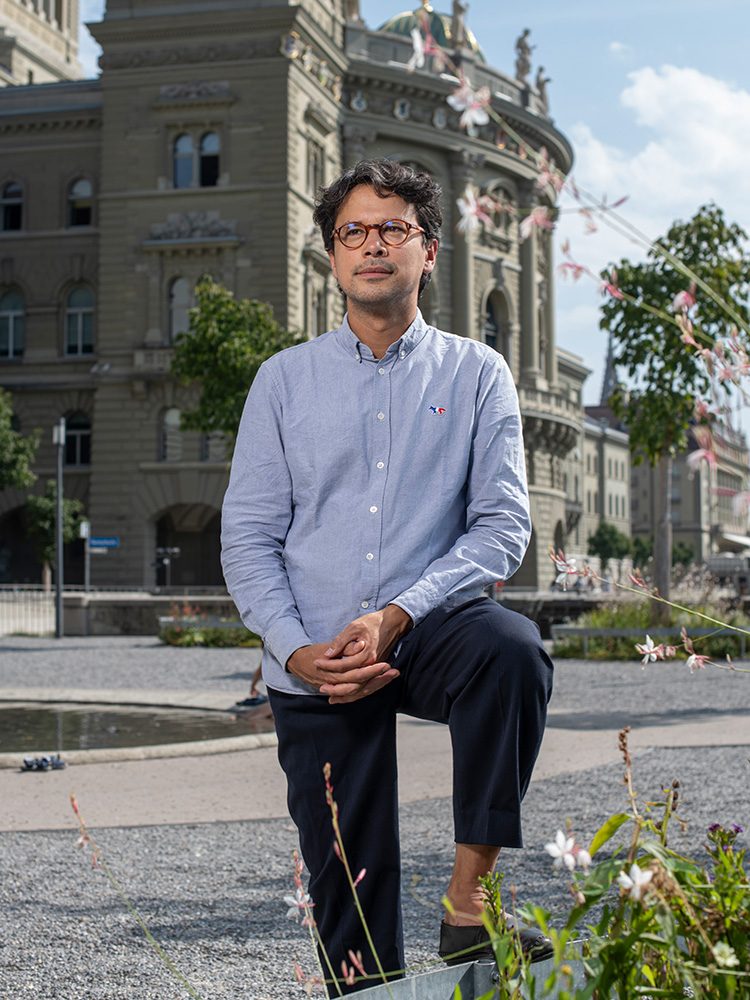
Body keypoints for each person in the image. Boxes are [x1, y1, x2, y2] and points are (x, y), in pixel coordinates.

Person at [221, 159, 553, 994]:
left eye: (392, 229)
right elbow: (249, 538)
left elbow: (503, 525)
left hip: (428, 630)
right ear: (333, 257)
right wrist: (296, 652)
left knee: (512, 651)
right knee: (355, 918)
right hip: (317, 651)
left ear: (429, 251)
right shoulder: (283, 382)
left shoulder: (477, 374)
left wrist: (402, 612)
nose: (373, 246)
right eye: (353, 232)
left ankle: (470, 903)